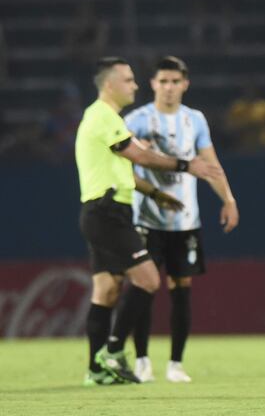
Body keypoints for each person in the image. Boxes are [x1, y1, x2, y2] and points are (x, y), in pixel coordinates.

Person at [75, 57, 222, 386]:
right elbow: (139, 156)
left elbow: (125, 170)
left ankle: (96, 370)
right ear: (111, 84)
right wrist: (186, 166)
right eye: (128, 80)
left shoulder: (100, 117)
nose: (135, 85)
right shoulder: (104, 116)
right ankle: (113, 350)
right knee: (148, 279)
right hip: (108, 212)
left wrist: (155, 195)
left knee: (106, 291)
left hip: (103, 210)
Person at [125, 56, 239, 383]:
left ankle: (175, 363)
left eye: (175, 82)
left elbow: (210, 162)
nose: (169, 88)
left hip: (185, 221)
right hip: (146, 218)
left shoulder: (195, 120)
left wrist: (228, 198)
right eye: (163, 82)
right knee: (144, 287)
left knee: (181, 288)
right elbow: (125, 167)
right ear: (153, 84)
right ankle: (142, 359)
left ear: (185, 84)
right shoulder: (136, 120)